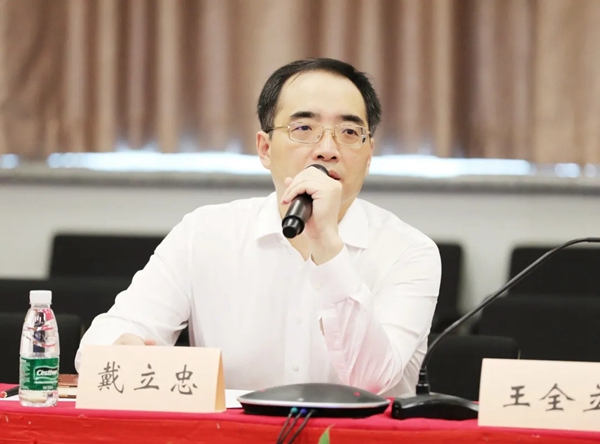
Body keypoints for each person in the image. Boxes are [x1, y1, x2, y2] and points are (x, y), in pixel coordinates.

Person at [75, 57, 441, 397]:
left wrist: (328, 245)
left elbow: (371, 381)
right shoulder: (205, 233)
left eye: (348, 131)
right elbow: (101, 343)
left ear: (369, 153)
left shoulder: (409, 252)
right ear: (265, 148)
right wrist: (122, 347)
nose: (327, 149)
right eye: (304, 128)